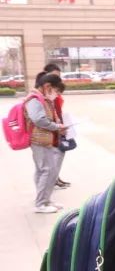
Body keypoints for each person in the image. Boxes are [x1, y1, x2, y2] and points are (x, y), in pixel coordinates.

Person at [26, 73, 68, 213]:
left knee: (46, 170)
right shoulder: (34, 99)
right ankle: (40, 203)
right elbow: (39, 119)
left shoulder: (41, 98)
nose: (56, 94)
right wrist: (57, 127)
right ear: (47, 86)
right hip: (39, 140)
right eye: (55, 90)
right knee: (46, 170)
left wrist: (58, 127)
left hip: (45, 139)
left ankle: (46, 200)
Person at [34, 64, 71, 190]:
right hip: (46, 133)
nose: (58, 80)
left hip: (55, 128)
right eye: (55, 76)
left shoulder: (51, 93)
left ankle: (53, 180)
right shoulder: (38, 98)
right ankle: (43, 196)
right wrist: (56, 126)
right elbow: (40, 118)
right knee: (46, 165)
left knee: (52, 160)